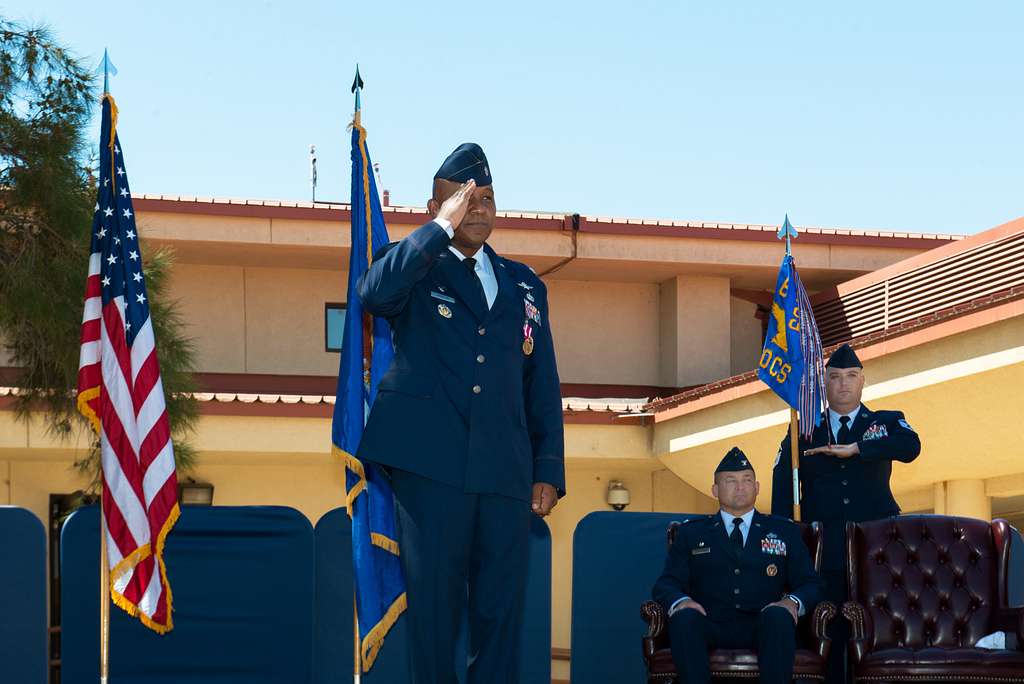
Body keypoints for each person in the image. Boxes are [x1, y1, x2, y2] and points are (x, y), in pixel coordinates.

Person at [356, 143, 565, 684]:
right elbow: (374, 294)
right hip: (431, 470)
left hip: (503, 472)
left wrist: (547, 469)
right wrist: (437, 231)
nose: (477, 209)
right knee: (435, 615)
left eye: (487, 198)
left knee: (500, 615)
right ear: (436, 206)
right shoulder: (414, 265)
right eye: (463, 200)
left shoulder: (525, 284)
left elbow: (540, 381)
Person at [771, 342, 921, 684]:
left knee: (877, 638)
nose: (843, 383)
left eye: (851, 376)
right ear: (824, 382)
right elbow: (783, 492)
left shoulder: (886, 422)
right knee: (830, 637)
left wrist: (858, 449)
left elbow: (911, 447)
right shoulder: (804, 431)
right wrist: (787, 549)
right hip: (825, 555)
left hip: (879, 554)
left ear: (863, 381)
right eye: (835, 376)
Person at [653, 447, 824, 684]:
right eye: (730, 481)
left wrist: (791, 602)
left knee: (778, 617)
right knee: (684, 619)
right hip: (711, 622)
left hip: (763, 623)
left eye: (747, 480)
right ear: (715, 490)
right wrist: (682, 602)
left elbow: (810, 583)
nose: (740, 487)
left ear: (757, 487)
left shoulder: (784, 531)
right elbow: (667, 583)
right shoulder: (691, 533)